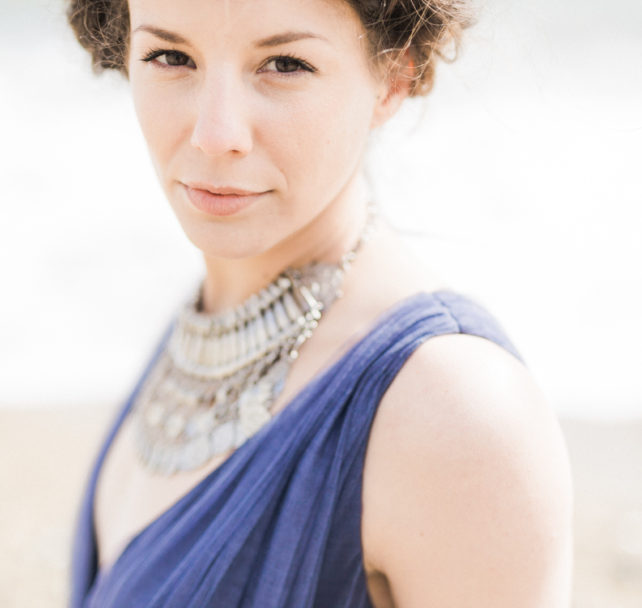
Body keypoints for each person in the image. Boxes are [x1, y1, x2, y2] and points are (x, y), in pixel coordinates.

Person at [66, 0, 573, 606]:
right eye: (169, 56)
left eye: (284, 63)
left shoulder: (458, 414)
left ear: (394, 77)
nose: (214, 134)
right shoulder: (207, 327)